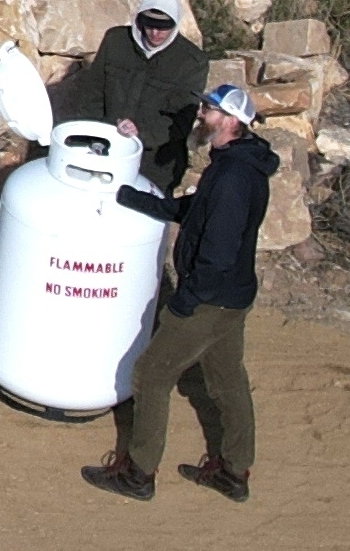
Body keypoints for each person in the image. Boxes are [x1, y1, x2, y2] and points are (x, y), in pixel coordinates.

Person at [87, 78, 277, 501]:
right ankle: (233, 471)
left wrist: (186, 302)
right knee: (228, 379)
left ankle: (137, 473)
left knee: (152, 376)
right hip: (234, 297)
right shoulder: (239, 165)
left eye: (209, 110)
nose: (201, 115)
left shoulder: (231, 178)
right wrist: (136, 199)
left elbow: (219, 250)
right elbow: (193, 211)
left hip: (209, 299)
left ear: (229, 121)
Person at [51, 0, 213, 191]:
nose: (155, 33)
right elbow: (92, 94)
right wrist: (92, 138)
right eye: (150, 25)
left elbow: (181, 118)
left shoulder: (192, 62)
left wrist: (141, 132)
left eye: (163, 27)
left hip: (154, 165)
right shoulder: (116, 41)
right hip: (105, 152)